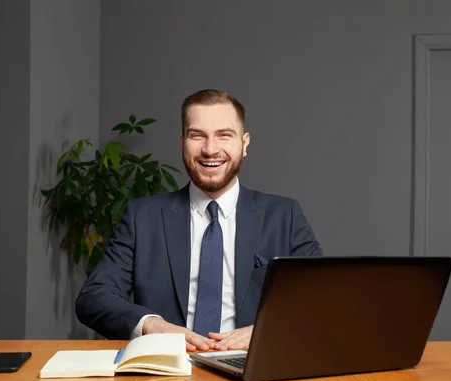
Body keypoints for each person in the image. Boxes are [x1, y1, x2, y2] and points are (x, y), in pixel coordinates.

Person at [75, 89, 323, 351]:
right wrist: (154, 327)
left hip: (255, 372)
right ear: (182, 141)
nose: (210, 149)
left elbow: (323, 297)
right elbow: (94, 297)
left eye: (224, 135)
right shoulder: (142, 217)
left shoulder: (285, 216)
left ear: (244, 143)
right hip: (166, 372)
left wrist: (268, 329)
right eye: (197, 135)